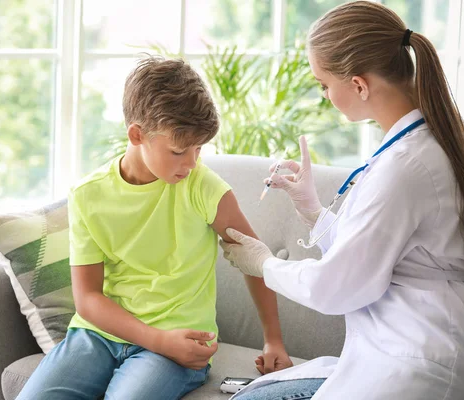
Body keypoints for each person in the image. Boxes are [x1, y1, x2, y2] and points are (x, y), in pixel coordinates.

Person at [221, 2, 464, 400]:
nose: (324, 96)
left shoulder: (405, 165)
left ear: (358, 85)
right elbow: (380, 252)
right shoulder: (414, 148)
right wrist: (313, 212)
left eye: (324, 84)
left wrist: (264, 263)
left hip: (420, 361)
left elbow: (337, 287)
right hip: (397, 347)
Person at [16, 56, 293, 400]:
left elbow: (256, 260)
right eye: (179, 151)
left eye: (198, 149)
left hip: (181, 342)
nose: (191, 163)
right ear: (137, 134)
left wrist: (273, 339)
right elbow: (87, 298)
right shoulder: (88, 195)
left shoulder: (203, 187)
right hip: (98, 335)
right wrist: (154, 338)